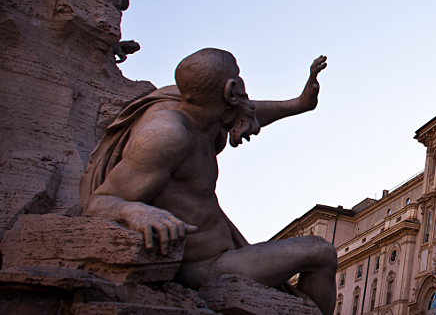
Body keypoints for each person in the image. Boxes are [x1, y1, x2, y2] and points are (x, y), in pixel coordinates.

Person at [80, 48, 336, 315]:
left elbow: (248, 109)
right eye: (238, 77)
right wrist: (134, 210)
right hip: (204, 268)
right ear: (231, 89)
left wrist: (298, 103)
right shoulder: (167, 136)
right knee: (321, 252)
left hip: (219, 252)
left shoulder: (197, 105)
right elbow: (99, 201)